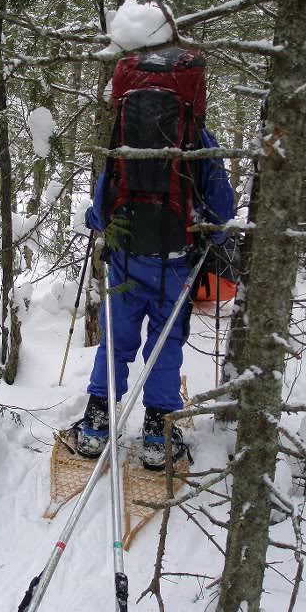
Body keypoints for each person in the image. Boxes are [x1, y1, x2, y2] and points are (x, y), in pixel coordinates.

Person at [74, 45, 235, 470]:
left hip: (125, 260)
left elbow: (103, 202)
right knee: (165, 345)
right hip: (176, 263)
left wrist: (96, 220)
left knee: (116, 341)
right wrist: (215, 236)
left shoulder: (124, 135)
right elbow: (221, 211)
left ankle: (96, 426)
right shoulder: (199, 140)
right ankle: (157, 435)